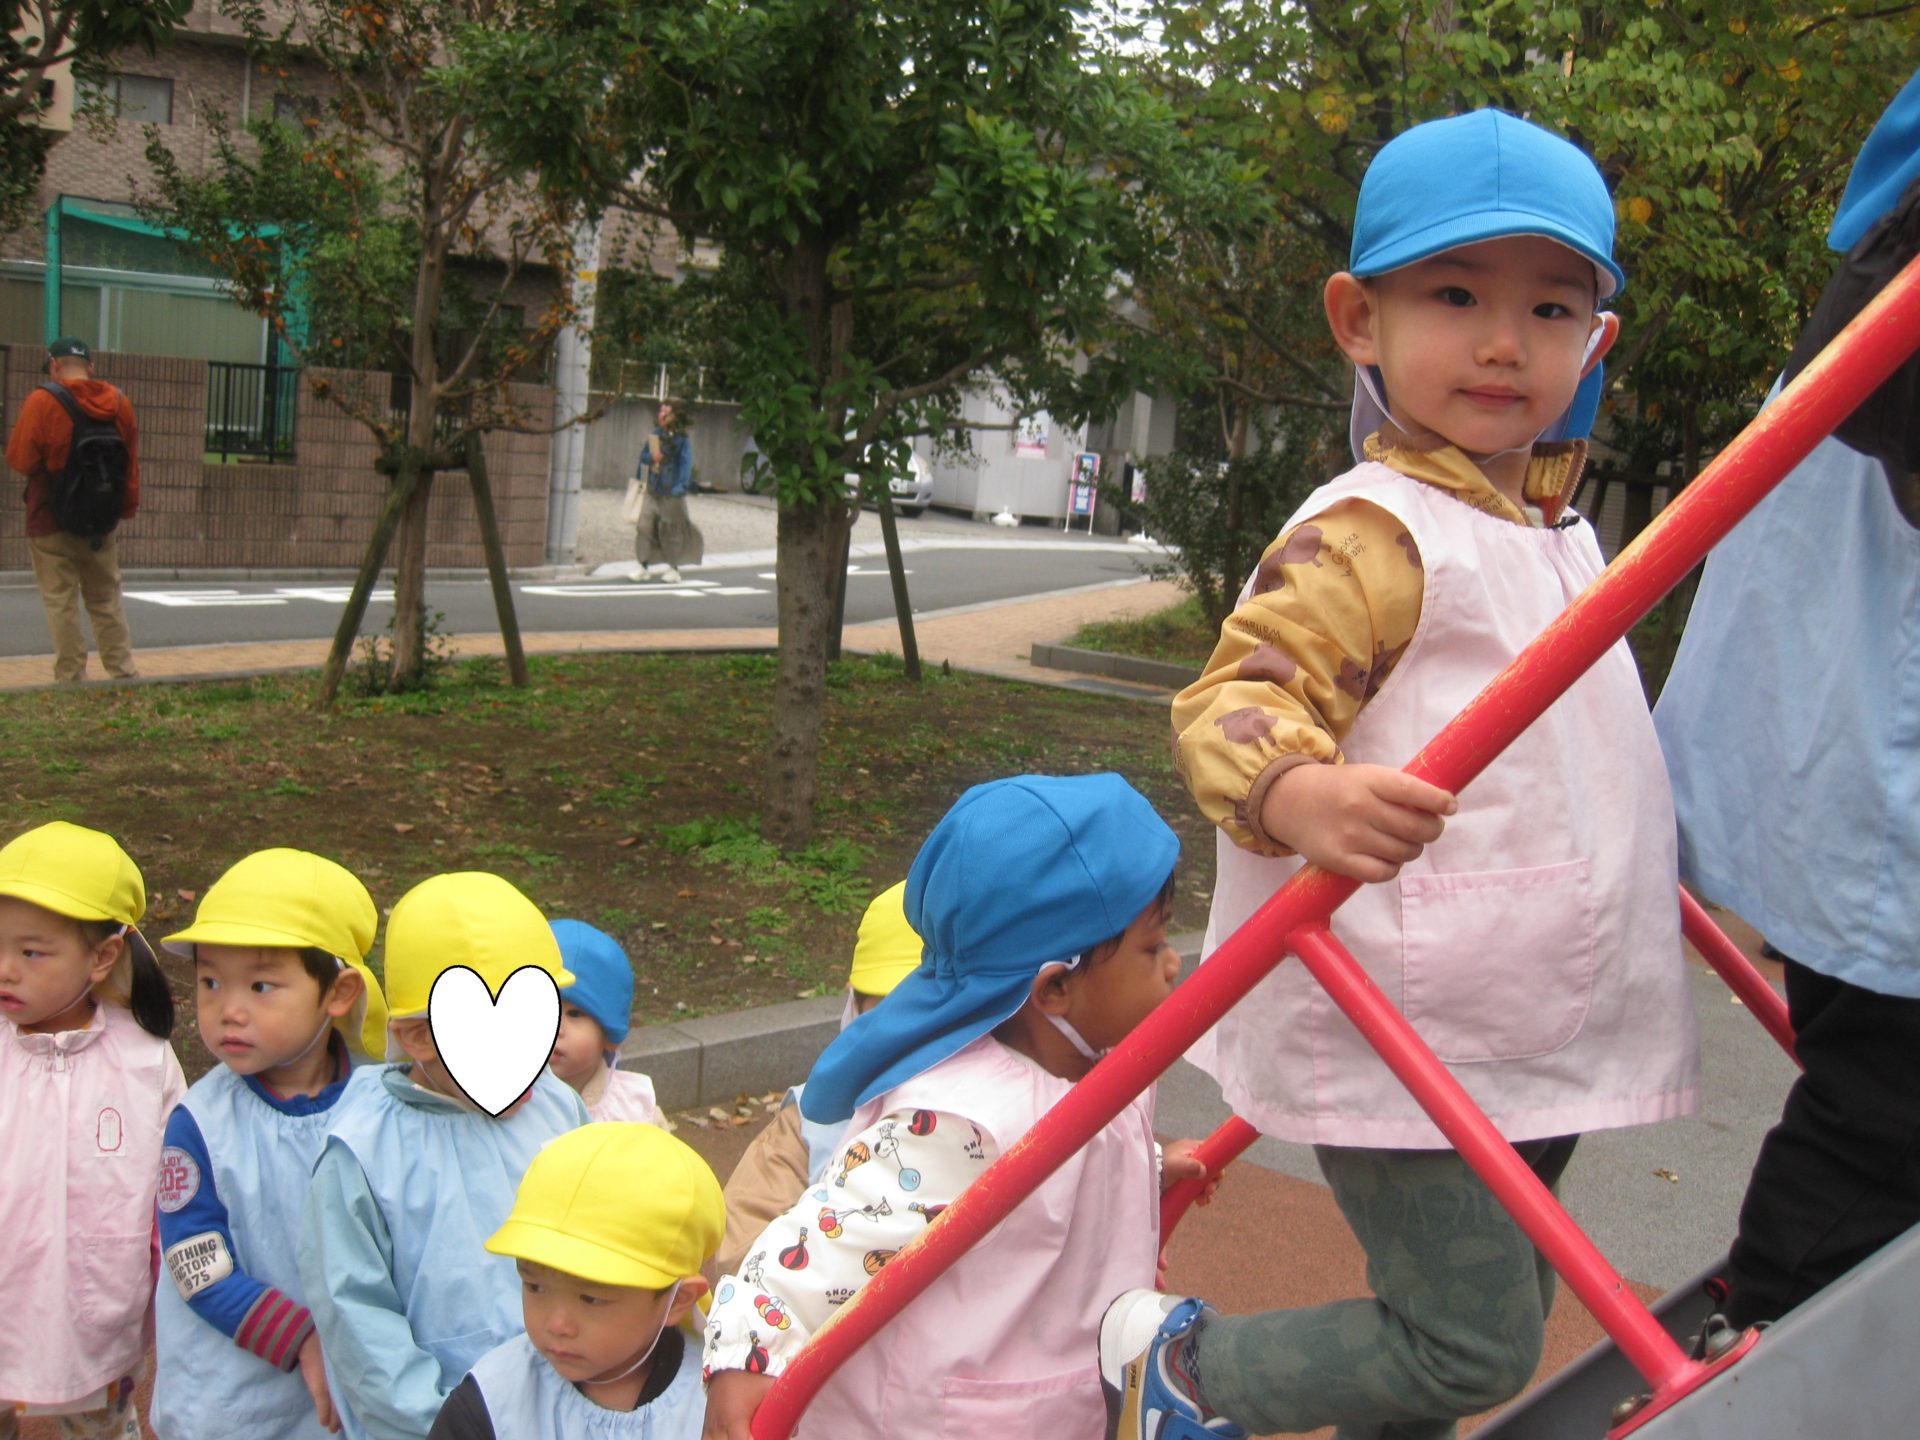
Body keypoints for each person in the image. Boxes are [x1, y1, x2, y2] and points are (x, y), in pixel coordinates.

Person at [1103, 109, 1701, 1440]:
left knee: (1483, 1310)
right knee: (1469, 1344)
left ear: (1594, 341)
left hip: (1528, 1003)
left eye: (1550, 308)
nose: (1504, 342)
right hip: (1402, 1012)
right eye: (1455, 295)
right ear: (1358, 320)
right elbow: (1233, 702)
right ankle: (1190, 1376)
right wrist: (1298, 793)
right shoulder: (1373, 532)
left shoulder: (1559, 534)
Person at [702, 772, 1216, 1439]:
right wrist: (746, 1354)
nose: (1173, 965)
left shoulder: (1108, 1067)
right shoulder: (961, 1122)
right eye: (1152, 948)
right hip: (941, 1418)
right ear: (1055, 989)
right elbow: (820, 1243)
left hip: (1060, 1396)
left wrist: (1149, 1168)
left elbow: (1063, 1179)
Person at [1652, 69, 1920, 1332]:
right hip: (1867, 686)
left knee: (1885, 1094)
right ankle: (1757, 1351)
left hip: (1854, 657)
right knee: (1888, 1107)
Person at [296, 872, 589, 1440]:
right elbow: (357, 1319)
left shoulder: (557, 1105)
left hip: (561, 1407)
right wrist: (439, 1426)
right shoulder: (363, 1150)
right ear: (419, 1038)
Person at [150, 848, 391, 1440]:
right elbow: (194, 1260)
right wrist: (301, 1336)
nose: (228, 1010)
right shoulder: (201, 1123)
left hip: (353, 1383)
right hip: (230, 1398)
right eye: (210, 982)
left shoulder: (381, 1106)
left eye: (261, 986)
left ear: (338, 993)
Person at [0, 821, 183, 1440]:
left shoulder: (144, 1060)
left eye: (31, 952)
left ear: (102, 956)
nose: (5, 969)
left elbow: (179, 1180)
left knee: (96, 1423)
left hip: (92, 1318)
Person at [429, 1122, 723, 1439]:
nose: (557, 1325)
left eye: (590, 1298)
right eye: (535, 1287)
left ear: (677, 1299)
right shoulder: (492, 1401)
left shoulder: (721, 1401)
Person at [714, 880, 921, 1277]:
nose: (919, 1033)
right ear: (854, 1004)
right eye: (897, 1010)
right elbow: (741, 1250)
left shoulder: (1009, 1111)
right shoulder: (809, 1122)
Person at [5, 336, 140, 684]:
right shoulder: (120, 404)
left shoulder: (42, 401)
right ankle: (123, 672)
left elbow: (20, 459)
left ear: (54, 365)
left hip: (50, 518)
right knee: (106, 598)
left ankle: (71, 677)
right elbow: (129, 466)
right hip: (100, 521)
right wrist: (123, 510)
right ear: (90, 367)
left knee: (60, 600)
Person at [547, 919, 659, 1124]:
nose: (555, 1028)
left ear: (609, 1037)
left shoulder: (633, 1109)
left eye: (574, 1014)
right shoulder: (507, 1101)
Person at [632, 400, 702, 584]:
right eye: (661, 410)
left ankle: (673, 568)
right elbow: (643, 457)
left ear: (674, 416)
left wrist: (680, 487)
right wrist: (651, 457)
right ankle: (642, 565)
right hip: (653, 488)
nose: (662, 414)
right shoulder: (655, 435)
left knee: (671, 530)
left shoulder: (681, 439)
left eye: (666, 412)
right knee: (644, 526)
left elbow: (686, 464)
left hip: (671, 491)